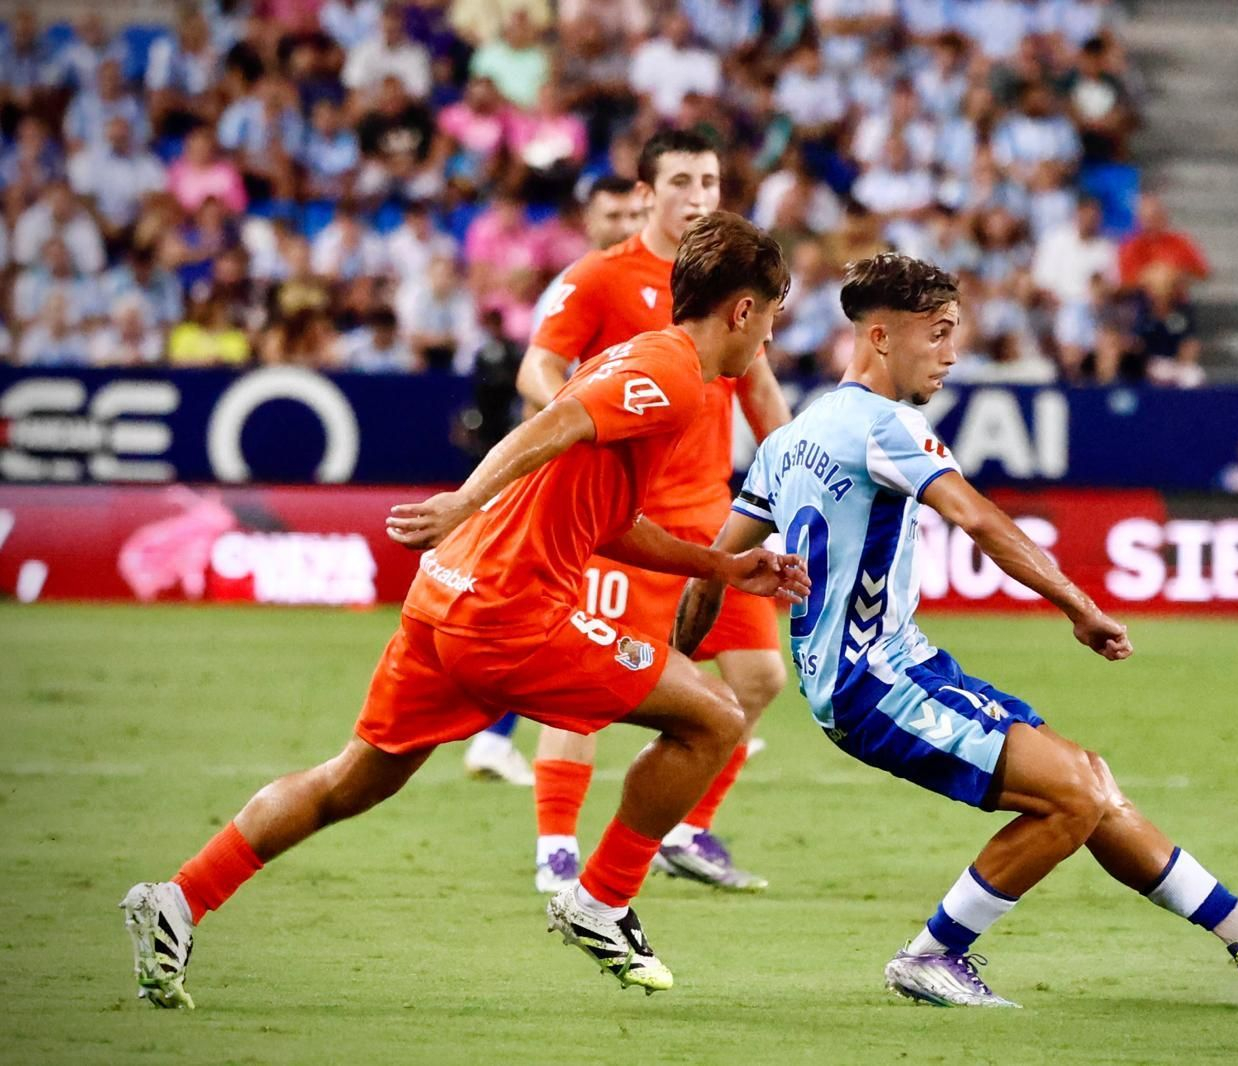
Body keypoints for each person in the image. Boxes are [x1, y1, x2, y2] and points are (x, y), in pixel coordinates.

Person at [118, 212, 807, 1009]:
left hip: (447, 597)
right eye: (775, 314)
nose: (771, 339)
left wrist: (720, 564)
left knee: (352, 781)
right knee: (716, 720)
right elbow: (550, 424)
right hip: (512, 615)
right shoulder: (675, 371)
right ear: (744, 311)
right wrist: (463, 498)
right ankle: (602, 899)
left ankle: (178, 900)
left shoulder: (645, 362)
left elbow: (607, 520)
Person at [674, 253, 1238, 1008]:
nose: (953, 354)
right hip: (878, 683)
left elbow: (710, 567)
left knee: (1088, 777)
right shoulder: (888, 428)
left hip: (893, 669)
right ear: (882, 337)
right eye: (940, 333)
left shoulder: (795, 436)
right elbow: (977, 518)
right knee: (1072, 799)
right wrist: (1078, 605)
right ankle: (931, 956)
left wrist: (678, 673)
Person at [515, 130, 793, 894]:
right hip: (623, 524)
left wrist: (800, 472)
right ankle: (556, 849)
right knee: (582, 694)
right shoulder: (602, 277)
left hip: (712, 518)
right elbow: (537, 363)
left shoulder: (728, 283)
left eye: (709, 179)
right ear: (646, 194)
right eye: (680, 181)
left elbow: (761, 394)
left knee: (761, 676)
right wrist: (576, 411)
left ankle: (682, 827)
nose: (698, 194)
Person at [459, 173, 645, 786]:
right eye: (611, 217)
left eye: (631, 216)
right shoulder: (580, 284)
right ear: (586, 223)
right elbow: (540, 379)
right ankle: (498, 734)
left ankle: (496, 733)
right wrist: (574, 432)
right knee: (555, 607)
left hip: (603, 466)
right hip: (568, 469)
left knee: (564, 604)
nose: (623, 228)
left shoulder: (644, 283)